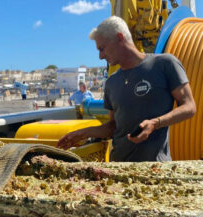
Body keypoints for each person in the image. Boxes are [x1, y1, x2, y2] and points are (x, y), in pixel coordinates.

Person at [58, 16, 196, 162]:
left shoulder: (165, 64)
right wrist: (82, 133)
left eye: (102, 48)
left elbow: (189, 107)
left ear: (119, 37)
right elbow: (113, 127)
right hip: (118, 166)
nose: (100, 56)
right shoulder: (111, 82)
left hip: (155, 168)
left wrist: (156, 123)